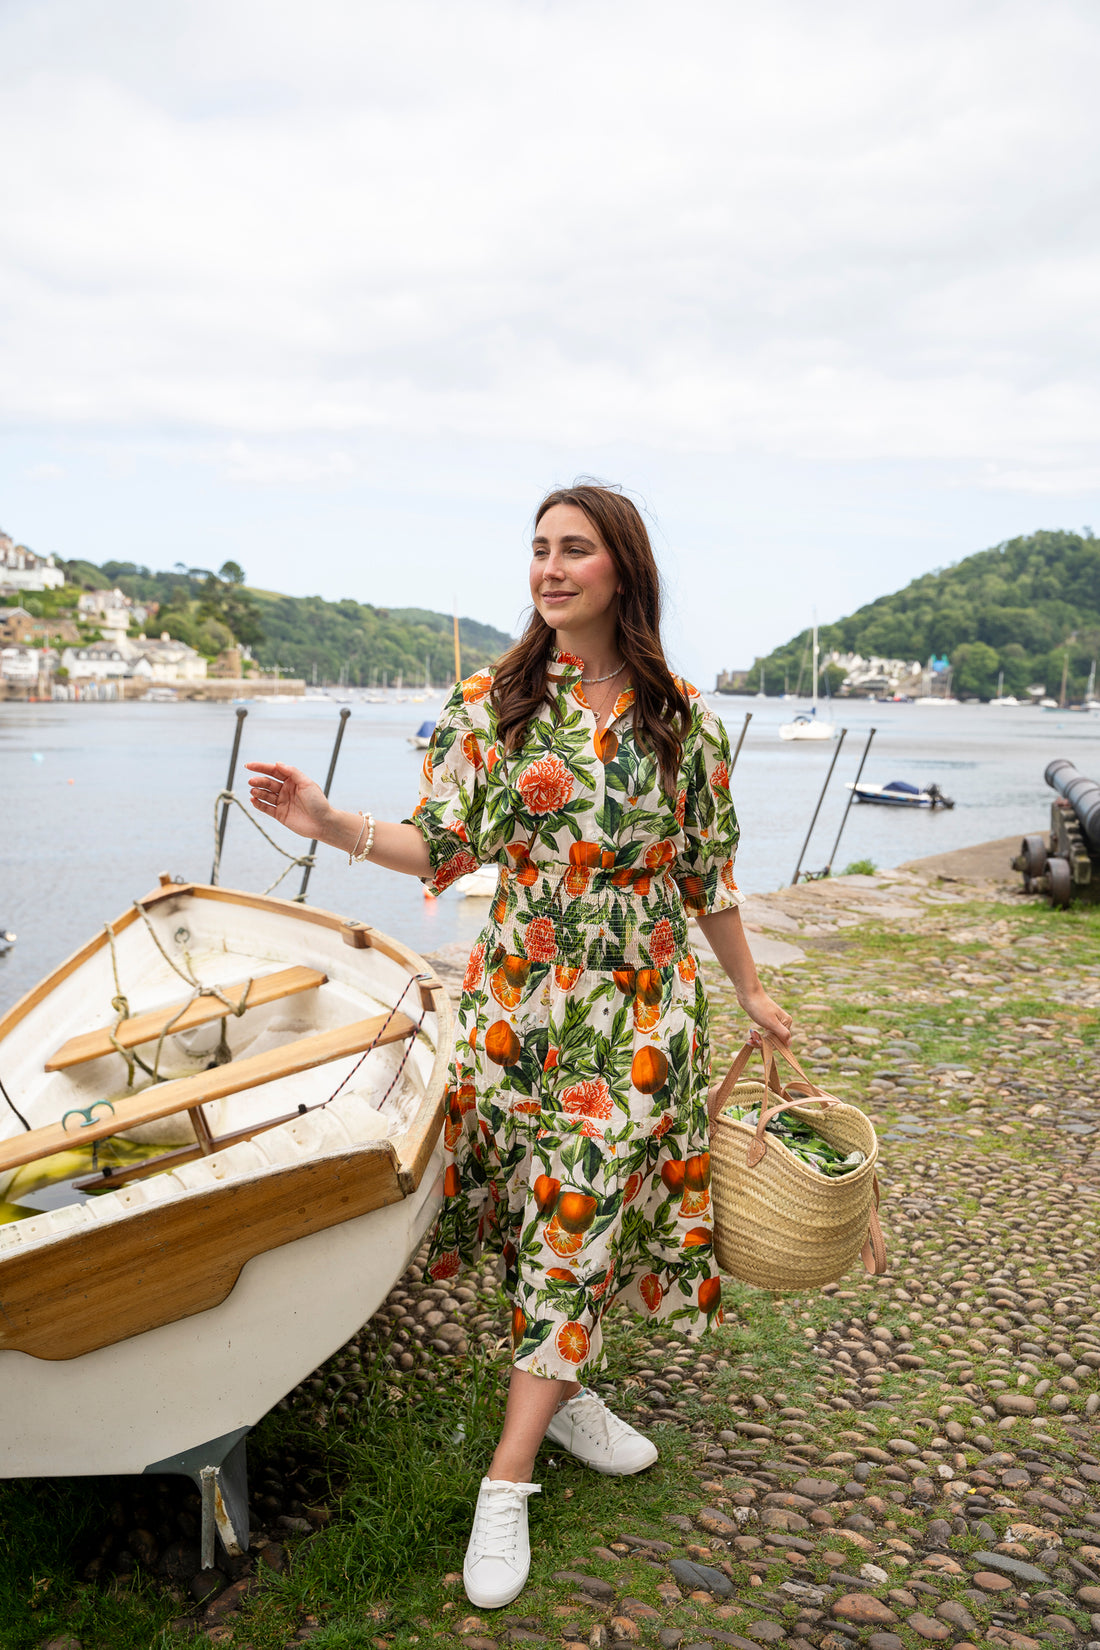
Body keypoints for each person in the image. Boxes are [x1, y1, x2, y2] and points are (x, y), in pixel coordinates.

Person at [246, 482, 791, 1611]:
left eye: (573, 550)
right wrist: (330, 822)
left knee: (583, 1205)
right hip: (519, 1002)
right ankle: (568, 1385)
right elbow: (440, 843)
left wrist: (749, 990)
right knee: (528, 1207)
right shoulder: (491, 704)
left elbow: (708, 876)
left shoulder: (682, 718)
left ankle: (505, 1479)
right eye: (538, 549)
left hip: (639, 1008)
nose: (549, 569)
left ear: (620, 570)